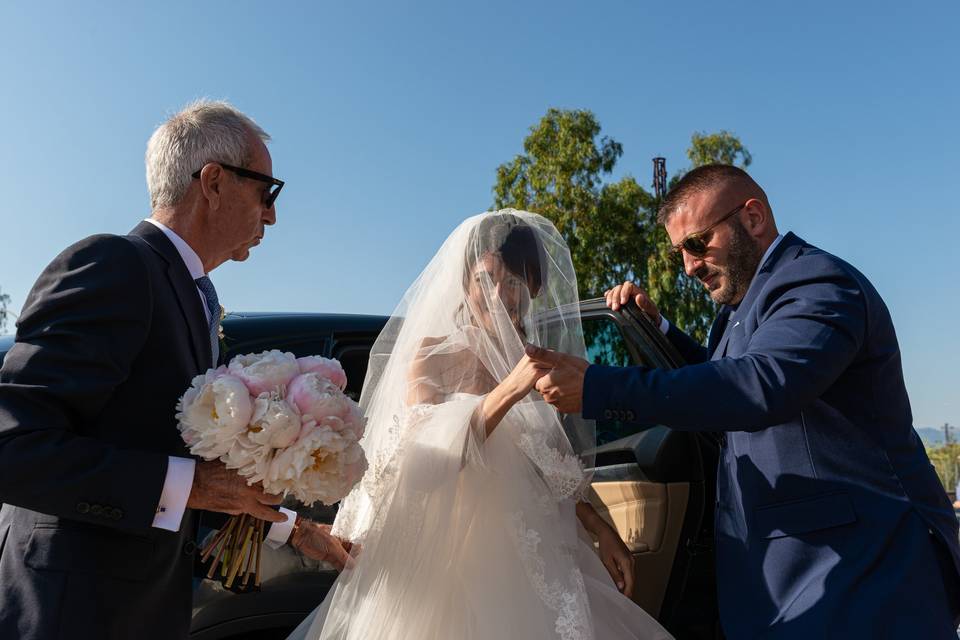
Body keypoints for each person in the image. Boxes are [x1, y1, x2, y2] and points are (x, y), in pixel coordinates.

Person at [528, 164, 960, 638]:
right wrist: (661, 331)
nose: (689, 266)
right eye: (680, 254)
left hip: (863, 574)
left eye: (697, 243)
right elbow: (719, 382)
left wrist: (597, 387)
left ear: (752, 217)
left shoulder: (817, 283)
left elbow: (759, 385)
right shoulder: (738, 311)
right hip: (791, 577)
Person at [0, 100, 350, 640]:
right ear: (213, 182)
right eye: (267, 191)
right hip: (69, 611)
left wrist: (296, 532)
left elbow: (171, 461)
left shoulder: (194, 298)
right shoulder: (114, 264)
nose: (272, 214)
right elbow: (12, 447)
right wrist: (193, 486)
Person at [288, 211, 672, 640]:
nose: (498, 295)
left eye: (514, 283)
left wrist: (602, 529)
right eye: (485, 279)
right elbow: (427, 465)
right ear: (465, 282)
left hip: (541, 555)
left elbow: (546, 468)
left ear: (534, 289)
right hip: (453, 568)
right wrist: (511, 388)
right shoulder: (433, 357)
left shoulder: (534, 358)